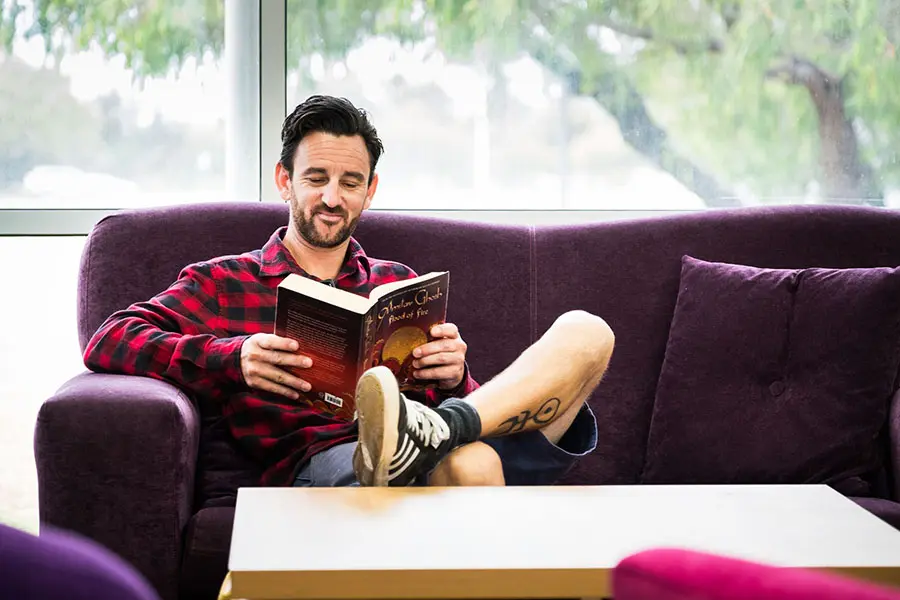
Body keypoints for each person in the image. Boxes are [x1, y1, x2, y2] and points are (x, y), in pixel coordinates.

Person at [83, 94, 615, 488]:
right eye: (316, 178)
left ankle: (445, 428)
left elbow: (469, 392)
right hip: (337, 460)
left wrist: (454, 377)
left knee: (589, 333)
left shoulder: (398, 283)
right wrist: (234, 356)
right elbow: (109, 338)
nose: (332, 198)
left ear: (370, 191)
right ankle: (439, 439)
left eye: (350, 182)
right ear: (284, 180)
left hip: (459, 436)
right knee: (470, 465)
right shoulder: (225, 281)